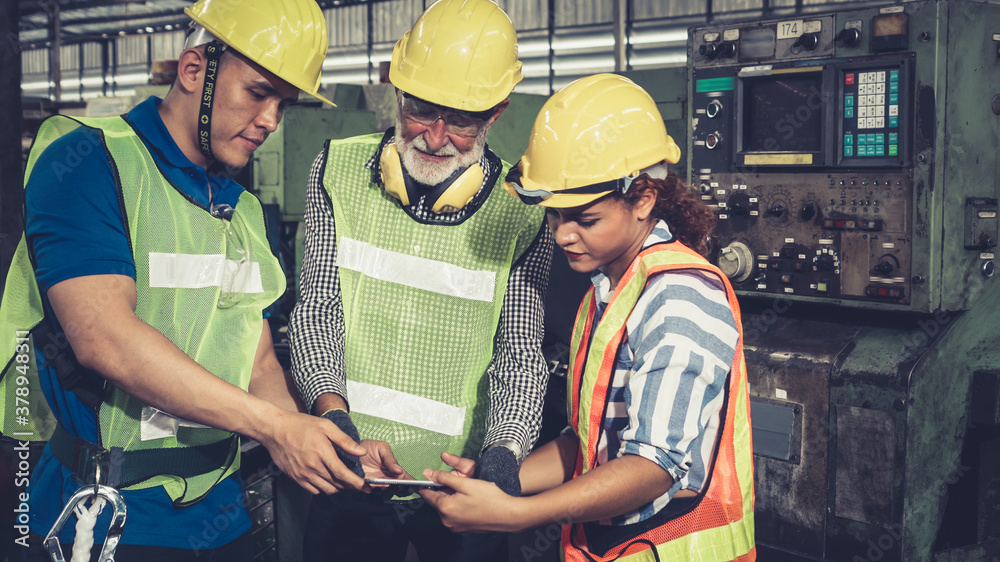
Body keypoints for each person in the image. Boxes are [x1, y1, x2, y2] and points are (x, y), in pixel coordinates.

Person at [0, 0, 374, 559]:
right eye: (257, 92)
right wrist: (274, 428)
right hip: (105, 515)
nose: (271, 120)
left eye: (283, 104)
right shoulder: (87, 158)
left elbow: (258, 360)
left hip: (222, 516)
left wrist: (319, 441)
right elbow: (104, 337)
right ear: (194, 68)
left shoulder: (242, 210)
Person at [420, 74, 757, 561]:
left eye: (585, 218)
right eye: (554, 215)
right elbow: (591, 439)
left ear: (643, 198)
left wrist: (515, 513)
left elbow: (651, 465)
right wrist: (502, 479)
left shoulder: (680, 296)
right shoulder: (607, 289)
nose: (562, 235)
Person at [287, 0, 554, 560]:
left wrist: (504, 456)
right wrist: (334, 421)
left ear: (496, 114)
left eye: (459, 121)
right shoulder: (334, 170)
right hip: (348, 466)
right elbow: (316, 312)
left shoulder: (524, 211)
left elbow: (521, 353)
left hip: (461, 487)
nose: (434, 138)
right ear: (397, 92)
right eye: (420, 111)